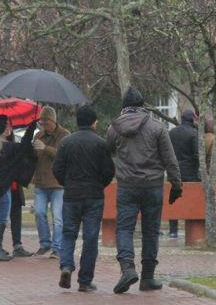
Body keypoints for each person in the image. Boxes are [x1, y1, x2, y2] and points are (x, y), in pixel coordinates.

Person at [107, 87, 182, 294]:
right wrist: (176, 185)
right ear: (143, 106)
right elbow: (170, 159)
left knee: (124, 228)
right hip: (152, 186)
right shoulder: (157, 127)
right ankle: (147, 277)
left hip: (127, 186)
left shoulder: (113, 128)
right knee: (150, 231)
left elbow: (110, 153)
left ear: (124, 107)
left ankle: (127, 268)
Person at [53, 105, 115, 292]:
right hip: (93, 196)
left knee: (68, 233)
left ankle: (66, 266)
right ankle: (85, 280)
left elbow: (57, 169)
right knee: (90, 237)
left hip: (72, 195)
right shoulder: (101, 143)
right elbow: (109, 171)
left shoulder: (66, 142)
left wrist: (67, 183)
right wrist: (99, 185)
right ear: (94, 122)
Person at [0, 119, 36, 261]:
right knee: (2, 218)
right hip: (3, 189)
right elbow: (24, 147)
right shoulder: (5, 147)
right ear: (1, 131)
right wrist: (31, 128)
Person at [32, 106, 70, 258]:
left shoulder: (65, 135)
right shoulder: (38, 136)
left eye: (46, 122)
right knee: (39, 213)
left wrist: (45, 148)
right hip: (41, 182)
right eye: (42, 122)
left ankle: (57, 247)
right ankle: (45, 243)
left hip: (57, 183)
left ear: (53, 121)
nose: (44, 125)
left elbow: (63, 154)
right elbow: (34, 158)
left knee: (58, 217)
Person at [167, 109, 199, 238]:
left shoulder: (172, 133)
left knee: (174, 200)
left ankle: (173, 230)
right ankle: (191, 228)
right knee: (191, 201)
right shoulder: (194, 133)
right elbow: (197, 154)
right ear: (192, 119)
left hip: (174, 171)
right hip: (190, 172)